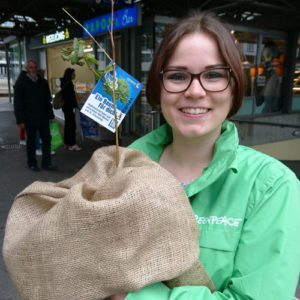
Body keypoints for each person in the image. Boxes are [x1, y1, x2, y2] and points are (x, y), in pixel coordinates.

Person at [111, 12, 300, 300]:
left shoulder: (271, 186)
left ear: (235, 85)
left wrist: (132, 298)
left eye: (213, 75)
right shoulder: (121, 168)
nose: (195, 91)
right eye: (177, 76)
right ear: (157, 88)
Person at [14, 60, 55, 171]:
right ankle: (32, 163)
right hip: (29, 119)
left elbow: (48, 100)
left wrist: (50, 116)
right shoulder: (21, 82)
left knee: (47, 141)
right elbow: (17, 103)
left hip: (43, 118)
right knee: (31, 142)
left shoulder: (43, 82)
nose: (33, 69)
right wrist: (20, 120)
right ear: (27, 68)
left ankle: (47, 163)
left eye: (35, 67)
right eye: (31, 67)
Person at [60, 68, 82, 151]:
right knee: (71, 126)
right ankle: (72, 144)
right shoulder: (69, 84)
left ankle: (67, 143)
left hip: (65, 107)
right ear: (70, 74)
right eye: (73, 74)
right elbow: (70, 97)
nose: (75, 75)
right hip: (69, 107)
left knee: (68, 125)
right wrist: (75, 104)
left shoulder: (64, 82)